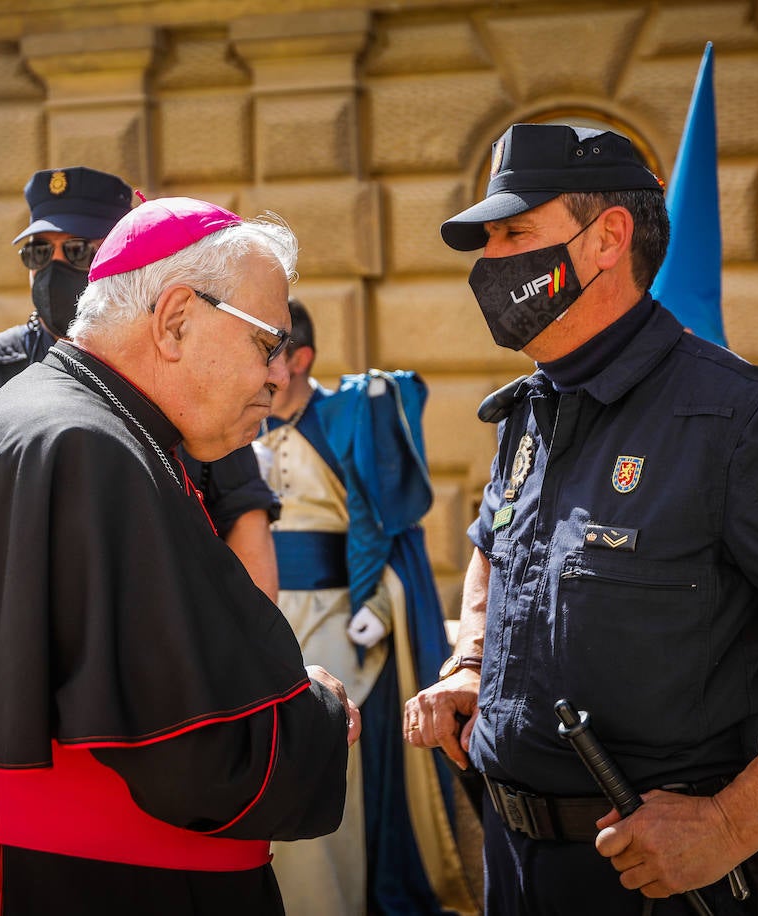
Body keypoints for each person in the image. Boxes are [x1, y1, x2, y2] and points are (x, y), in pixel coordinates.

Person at [401, 122, 758, 915]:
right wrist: (470, 664)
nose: (491, 263)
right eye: (487, 240)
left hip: (660, 882)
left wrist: (731, 823)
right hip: (511, 861)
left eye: (516, 232)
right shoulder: (532, 409)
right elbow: (495, 545)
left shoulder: (740, 422)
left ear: (607, 239)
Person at [0, 196, 358, 915]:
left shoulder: (65, 417)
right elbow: (197, 758)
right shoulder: (92, 448)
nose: (278, 376)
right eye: (264, 343)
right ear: (176, 319)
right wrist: (322, 713)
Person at [0, 166, 279, 597]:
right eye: (38, 253)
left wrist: (250, 654)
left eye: (78, 251)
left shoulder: (183, 371)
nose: (53, 268)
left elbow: (243, 514)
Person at [254, 301, 474, 915]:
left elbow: (373, 519)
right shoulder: (244, 422)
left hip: (339, 618)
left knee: (328, 761)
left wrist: (372, 600)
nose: (259, 372)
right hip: (265, 619)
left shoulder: (348, 414)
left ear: (302, 360)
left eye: (270, 354)